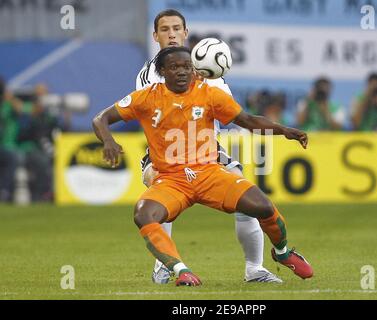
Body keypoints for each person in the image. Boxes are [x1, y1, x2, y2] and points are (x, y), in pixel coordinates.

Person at [92, 46, 313, 286]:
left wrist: (284, 131)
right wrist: (108, 140)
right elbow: (100, 119)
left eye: (187, 66)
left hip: (210, 174)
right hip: (171, 180)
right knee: (143, 214)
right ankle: (181, 271)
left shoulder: (209, 94)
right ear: (162, 71)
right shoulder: (145, 97)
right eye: (174, 67)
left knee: (263, 206)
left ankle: (282, 253)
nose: (182, 72)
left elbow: (248, 121)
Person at [135, 9, 281, 284]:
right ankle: (164, 264)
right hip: (166, 151)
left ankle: (254, 268)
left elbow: (226, 108)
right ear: (155, 36)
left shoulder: (206, 64)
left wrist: (205, 82)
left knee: (245, 196)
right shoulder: (149, 73)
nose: (172, 34)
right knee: (159, 197)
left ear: (186, 32)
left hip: (207, 149)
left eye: (177, 28)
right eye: (165, 29)